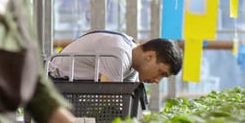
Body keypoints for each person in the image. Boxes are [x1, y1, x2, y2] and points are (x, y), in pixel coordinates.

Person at [47, 30, 183, 83]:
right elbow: (107, 99)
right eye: (161, 73)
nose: (157, 80)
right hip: (55, 83)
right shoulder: (119, 53)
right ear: (150, 56)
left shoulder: (133, 68)